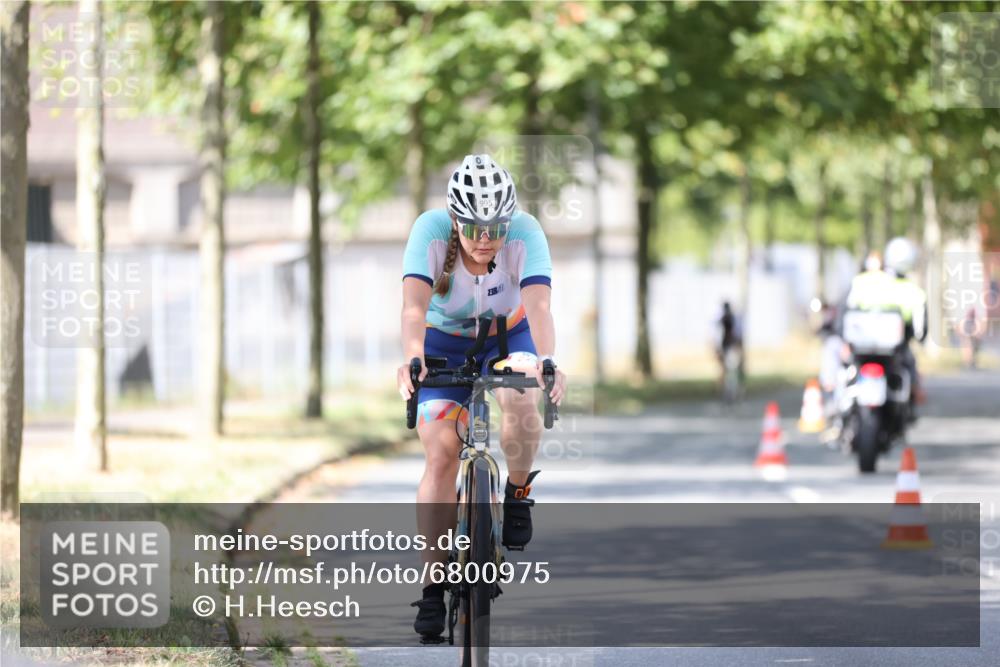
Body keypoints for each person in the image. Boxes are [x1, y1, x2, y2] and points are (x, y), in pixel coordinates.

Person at [397, 154, 566, 639]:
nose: (485, 239)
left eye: (495, 228)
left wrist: (547, 360)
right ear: (455, 219)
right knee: (441, 453)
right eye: (473, 228)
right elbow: (413, 309)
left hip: (507, 336)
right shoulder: (429, 231)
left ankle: (518, 492)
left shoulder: (526, 233)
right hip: (442, 343)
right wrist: (413, 359)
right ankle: (433, 587)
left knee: (522, 402)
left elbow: (539, 305)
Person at [844, 238, 927, 405]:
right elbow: (920, 329)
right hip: (894, 350)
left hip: (861, 346)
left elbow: (847, 309)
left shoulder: (863, 281)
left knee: (845, 370)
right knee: (909, 367)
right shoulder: (911, 289)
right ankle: (915, 393)